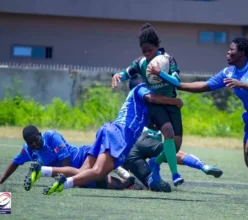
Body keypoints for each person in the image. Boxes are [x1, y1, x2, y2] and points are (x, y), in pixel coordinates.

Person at [175, 36, 248, 205]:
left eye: (232, 49)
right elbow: (205, 86)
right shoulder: (228, 72)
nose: (228, 52)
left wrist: (243, 85)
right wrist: (176, 85)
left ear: (242, 53)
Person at [42, 83, 184, 195]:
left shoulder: (141, 108)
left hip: (109, 129)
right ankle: (64, 184)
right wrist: (174, 101)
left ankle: (43, 170)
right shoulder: (142, 88)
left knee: (83, 171)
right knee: (98, 172)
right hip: (119, 134)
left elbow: (151, 122)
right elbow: (152, 98)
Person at [112, 23, 184, 187]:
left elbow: (177, 82)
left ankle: (155, 163)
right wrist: (118, 76)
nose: (147, 54)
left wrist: (160, 74)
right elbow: (126, 73)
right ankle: (175, 174)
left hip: (171, 104)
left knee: (175, 145)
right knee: (168, 132)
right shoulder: (141, 63)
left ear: (157, 47)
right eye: (144, 51)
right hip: (156, 104)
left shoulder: (168, 60)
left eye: (150, 50)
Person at [123, 76, 223, 192]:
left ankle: (144, 180)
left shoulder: (130, 103)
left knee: (157, 186)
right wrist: (175, 101)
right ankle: (202, 166)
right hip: (145, 138)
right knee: (172, 151)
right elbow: (155, 102)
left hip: (130, 150)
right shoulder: (151, 96)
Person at [0, 125, 134, 190]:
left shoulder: (52, 137)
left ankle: (123, 169)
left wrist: (70, 181)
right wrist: (2, 180)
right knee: (106, 184)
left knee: (91, 172)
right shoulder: (28, 150)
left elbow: (66, 164)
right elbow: (15, 163)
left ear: (40, 134)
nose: (34, 144)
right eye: (30, 143)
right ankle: (129, 183)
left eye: (36, 140)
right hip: (73, 171)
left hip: (84, 157)